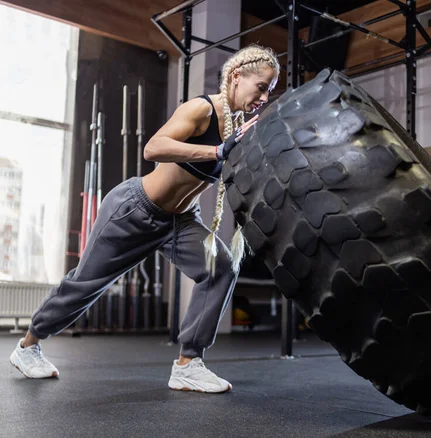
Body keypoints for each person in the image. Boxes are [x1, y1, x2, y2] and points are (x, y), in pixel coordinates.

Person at [9, 44, 280, 393]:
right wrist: (215, 151)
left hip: (180, 221)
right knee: (86, 284)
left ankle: (188, 363)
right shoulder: (201, 109)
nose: (264, 97)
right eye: (261, 87)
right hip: (136, 210)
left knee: (221, 269)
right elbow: (153, 147)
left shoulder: (238, 126)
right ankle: (28, 345)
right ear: (236, 76)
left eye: (269, 91)